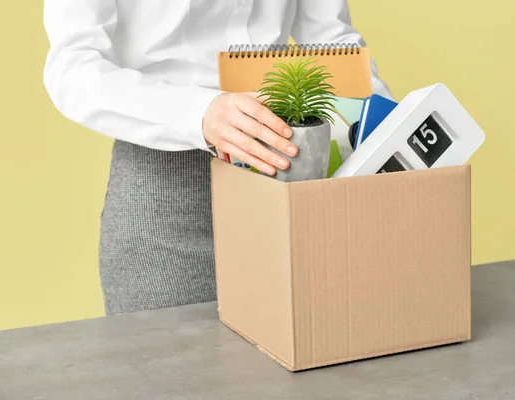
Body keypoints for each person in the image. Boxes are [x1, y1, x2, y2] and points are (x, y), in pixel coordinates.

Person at [43, 0, 393, 315]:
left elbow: (333, 41)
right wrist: (199, 112)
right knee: (166, 372)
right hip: (164, 191)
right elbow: (72, 68)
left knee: (296, 370)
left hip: (287, 177)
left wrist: (389, 129)